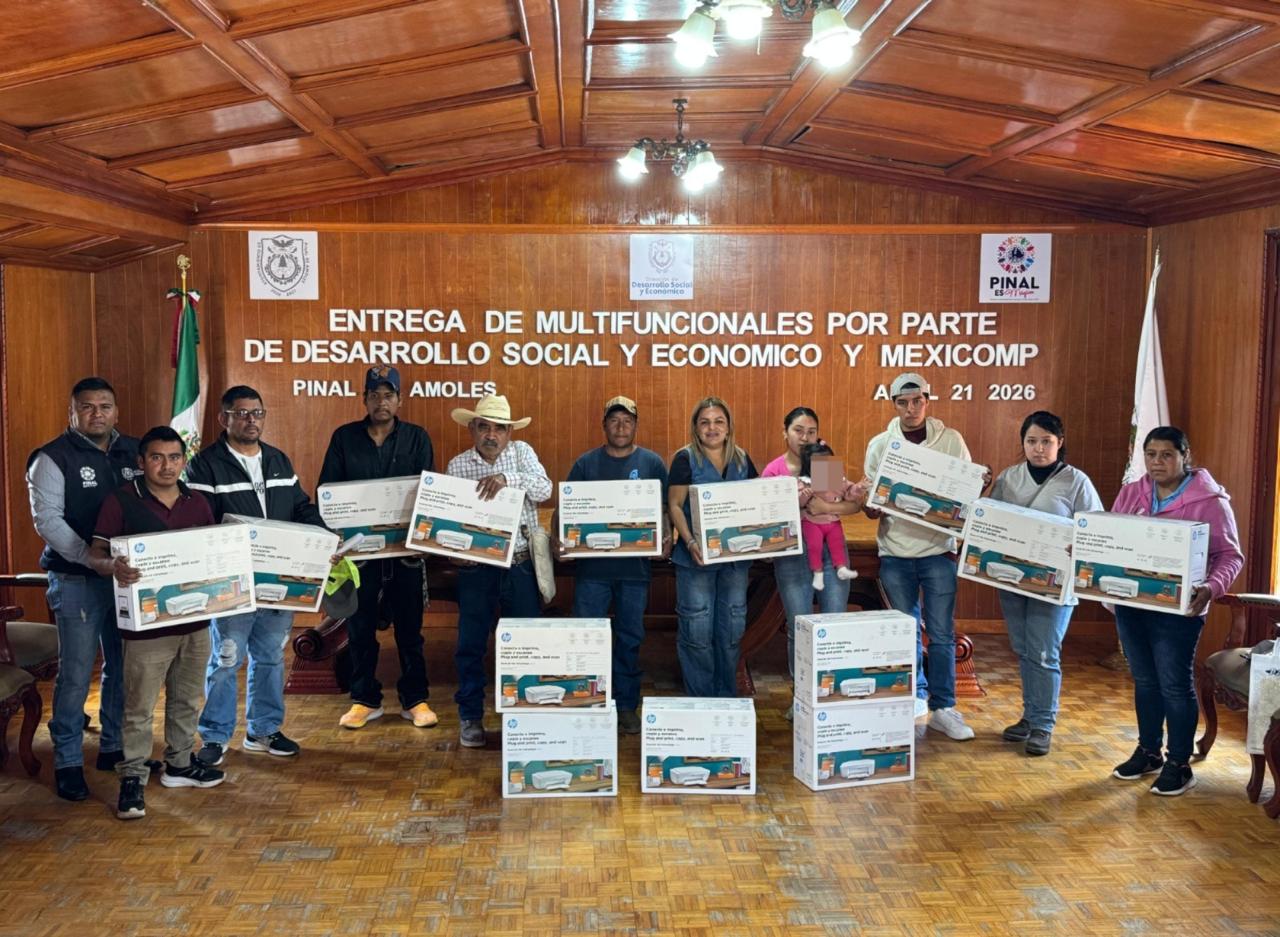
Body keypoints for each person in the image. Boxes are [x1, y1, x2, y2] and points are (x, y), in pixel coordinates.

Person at [88, 426, 225, 820]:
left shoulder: (197, 501)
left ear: (184, 460)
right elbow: (95, 554)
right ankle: (132, 777)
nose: (167, 466)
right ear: (141, 461)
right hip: (146, 629)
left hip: (196, 622)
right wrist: (112, 566)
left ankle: (179, 764)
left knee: (187, 699)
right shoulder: (120, 501)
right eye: (157, 457)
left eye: (174, 457)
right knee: (139, 707)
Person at [186, 386, 328, 766]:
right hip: (232, 580)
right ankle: (215, 735)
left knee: (270, 657)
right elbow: (200, 520)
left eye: (258, 413)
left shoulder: (278, 460)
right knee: (226, 659)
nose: (251, 420)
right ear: (224, 418)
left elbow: (300, 507)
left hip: (278, 580)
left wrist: (324, 537)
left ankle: (263, 730)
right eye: (242, 413)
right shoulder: (205, 464)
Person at [1109, 426, 1243, 796]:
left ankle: (1179, 764)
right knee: (1145, 680)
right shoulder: (1132, 493)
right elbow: (1112, 538)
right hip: (1132, 604)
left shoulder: (1210, 501)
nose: (1157, 462)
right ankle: (1148, 752)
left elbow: (1230, 556)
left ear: (1185, 456)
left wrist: (1211, 587)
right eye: (1151, 454)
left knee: (1173, 683)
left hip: (1180, 610)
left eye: (1167, 454)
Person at [26, 377, 139, 802]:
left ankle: (112, 745)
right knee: (75, 674)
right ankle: (68, 761)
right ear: (72, 412)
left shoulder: (135, 450)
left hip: (126, 579)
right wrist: (91, 559)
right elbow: (48, 521)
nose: (97, 414)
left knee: (122, 666)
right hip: (77, 579)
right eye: (87, 407)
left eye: (105, 406)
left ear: (116, 411)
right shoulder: (51, 458)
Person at [317, 366, 436, 731]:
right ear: (364, 399)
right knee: (360, 629)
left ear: (399, 400)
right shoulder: (344, 438)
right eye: (374, 395)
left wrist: (423, 540)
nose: (381, 402)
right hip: (360, 555)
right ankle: (364, 700)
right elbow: (328, 492)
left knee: (410, 631)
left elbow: (428, 493)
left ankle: (415, 699)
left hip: (405, 553)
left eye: (388, 395)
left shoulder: (417, 438)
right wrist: (335, 534)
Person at [864, 372, 977, 740]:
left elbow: (966, 495)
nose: (911, 409)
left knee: (941, 633)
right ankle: (915, 696)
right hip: (896, 551)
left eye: (917, 401)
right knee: (905, 631)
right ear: (893, 404)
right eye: (903, 402)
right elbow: (871, 504)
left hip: (938, 551)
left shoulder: (951, 441)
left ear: (927, 401)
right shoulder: (880, 445)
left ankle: (945, 707)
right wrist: (871, 504)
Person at [987, 411, 1102, 756]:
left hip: (1054, 584)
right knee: (1024, 650)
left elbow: (1096, 530)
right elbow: (989, 521)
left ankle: (1043, 725)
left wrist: (1079, 545)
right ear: (1023, 443)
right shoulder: (1009, 478)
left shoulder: (1076, 481)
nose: (1039, 448)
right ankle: (1030, 715)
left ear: (1059, 443)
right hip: (1013, 579)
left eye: (1046, 441)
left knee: (1044, 653)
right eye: (1032, 441)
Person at [559, 396, 670, 735]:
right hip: (593, 572)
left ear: (636, 425)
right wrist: (559, 541)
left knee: (629, 638)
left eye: (627, 421)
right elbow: (566, 508)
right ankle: (589, 703)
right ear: (604, 425)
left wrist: (666, 538)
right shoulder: (586, 463)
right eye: (614, 420)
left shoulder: (651, 463)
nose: (621, 427)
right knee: (587, 638)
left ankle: (625, 705)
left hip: (634, 572)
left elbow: (666, 509)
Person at [447, 393, 552, 748]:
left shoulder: (522, 454)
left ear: (510, 432)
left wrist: (507, 478)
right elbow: (451, 520)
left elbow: (545, 489)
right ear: (472, 429)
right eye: (484, 427)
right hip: (477, 568)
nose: (491, 435)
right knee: (470, 645)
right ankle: (470, 716)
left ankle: (523, 717)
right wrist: (454, 552)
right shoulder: (457, 466)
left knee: (526, 645)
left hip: (520, 564)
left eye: (499, 428)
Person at [762, 407, 861, 717]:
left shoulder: (823, 463)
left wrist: (823, 507)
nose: (805, 437)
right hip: (792, 554)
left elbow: (850, 504)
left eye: (811, 431)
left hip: (831, 551)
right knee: (799, 627)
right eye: (798, 430)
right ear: (785, 432)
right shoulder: (775, 470)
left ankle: (829, 697)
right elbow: (765, 515)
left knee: (833, 625)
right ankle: (802, 698)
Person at [667, 397, 758, 698]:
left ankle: (726, 697)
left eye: (719, 421)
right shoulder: (685, 459)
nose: (712, 428)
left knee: (731, 630)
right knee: (697, 630)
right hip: (696, 560)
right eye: (704, 422)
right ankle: (701, 699)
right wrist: (690, 542)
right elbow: (674, 506)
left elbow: (758, 502)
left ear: (729, 427)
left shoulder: (742, 459)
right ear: (695, 428)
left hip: (736, 562)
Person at [796, 441, 867, 591]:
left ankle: (841, 568)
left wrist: (860, 487)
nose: (825, 467)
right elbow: (798, 503)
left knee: (837, 543)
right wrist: (805, 495)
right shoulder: (804, 482)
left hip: (833, 521)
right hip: (812, 522)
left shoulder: (837, 478)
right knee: (814, 546)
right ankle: (817, 573)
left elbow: (850, 494)